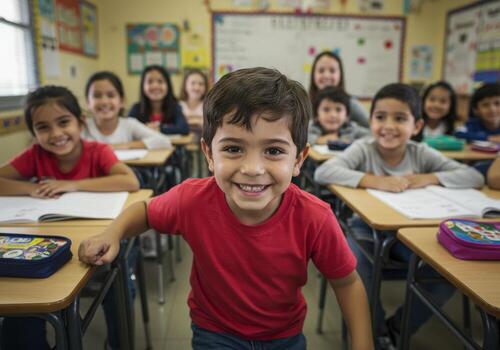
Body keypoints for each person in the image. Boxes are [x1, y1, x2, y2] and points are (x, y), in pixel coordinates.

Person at [79, 67, 374, 350]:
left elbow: (347, 282)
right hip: (215, 333)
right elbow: (144, 211)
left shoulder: (315, 217)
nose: (253, 169)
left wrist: (363, 344)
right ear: (209, 153)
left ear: (299, 159)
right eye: (233, 149)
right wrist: (113, 233)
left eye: (273, 151)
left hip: (285, 335)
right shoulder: (192, 199)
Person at [314, 83, 484, 347]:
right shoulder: (364, 148)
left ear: (416, 126)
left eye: (400, 118)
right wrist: (373, 180)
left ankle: (397, 328)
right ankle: (376, 334)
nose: (389, 126)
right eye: (380, 117)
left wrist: (427, 177)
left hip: (414, 237)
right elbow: (323, 173)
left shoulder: (420, 152)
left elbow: (473, 175)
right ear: (370, 121)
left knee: (447, 275)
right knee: (355, 266)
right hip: (366, 232)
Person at [0, 85, 139, 350]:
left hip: (96, 243)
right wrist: (31, 188)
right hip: (47, 247)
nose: (56, 134)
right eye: (43, 127)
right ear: (33, 133)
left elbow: (129, 180)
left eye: (64, 122)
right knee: (21, 304)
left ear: (80, 122)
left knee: (118, 286)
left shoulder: (97, 151)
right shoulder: (35, 156)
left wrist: (72, 184)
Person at [82, 71, 171, 150]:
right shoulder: (82, 127)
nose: (104, 101)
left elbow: (164, 141)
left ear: (121, 100)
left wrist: (121, 146)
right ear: (88, 101)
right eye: (97, 96)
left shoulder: (129, 125)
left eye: (111, 95)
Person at [309, 51, 369, 127]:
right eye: (321, 70)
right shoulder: (304, 105)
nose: (326, 75)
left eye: (332, 71)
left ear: (340, 75)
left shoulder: (351, 104)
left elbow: (371, 129)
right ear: (313, 74)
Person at [129, 65, 189, 135]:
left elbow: (184, 129)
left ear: (168, 86)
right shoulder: (136, 109)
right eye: (150, 82)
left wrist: (159, 128)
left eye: (160, 81)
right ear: (143, 86)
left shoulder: (175, 107)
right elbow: (129, 130)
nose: (155, 86)